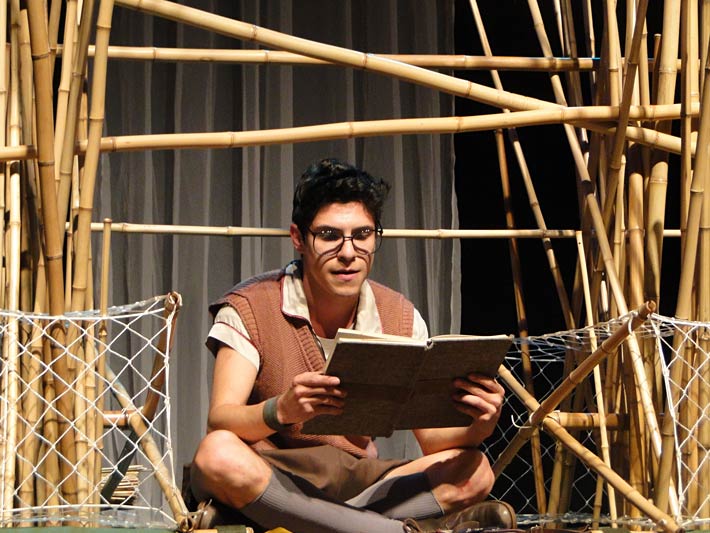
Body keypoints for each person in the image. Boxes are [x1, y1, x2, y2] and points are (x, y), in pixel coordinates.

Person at [189, 158, 514, 533]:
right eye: (329, 235)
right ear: (298, 238)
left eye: (362, 235)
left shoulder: (399, 315)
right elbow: (222, 419)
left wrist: (481, 424)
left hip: (359, 479)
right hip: (274, 472)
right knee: (217, 454)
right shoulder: (251, 306)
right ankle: (390, 530)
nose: (348, 252)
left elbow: (433, 442)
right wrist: (282, 410)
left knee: (475, 469)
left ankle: (316, 523)